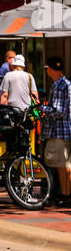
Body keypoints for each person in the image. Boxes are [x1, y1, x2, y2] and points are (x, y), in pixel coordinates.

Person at [42, 57, 71, 203]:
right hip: (66, 129)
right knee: (65, 164)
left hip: (59, 130)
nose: (46, 71)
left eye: (47, 68)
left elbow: (58, 110)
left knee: (61, 165)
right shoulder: (67, 84)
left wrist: (43, 109)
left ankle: (65, 195)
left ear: (51, 69)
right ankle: (66, 194)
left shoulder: (59, 86)